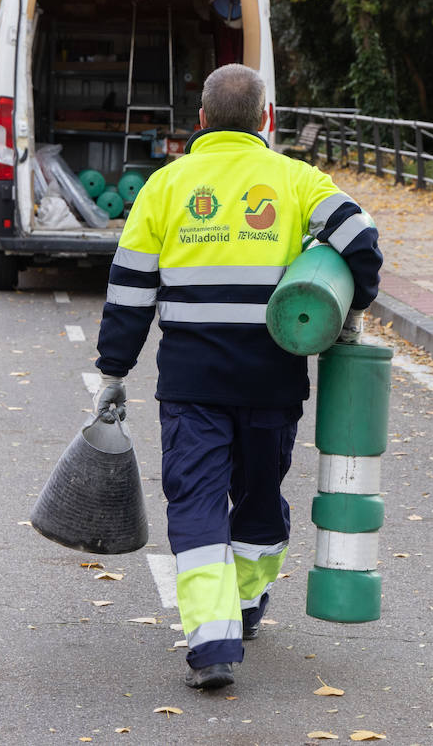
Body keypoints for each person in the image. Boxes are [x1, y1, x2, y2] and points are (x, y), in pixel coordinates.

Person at [92, 64, 383, 691]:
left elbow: (129, 290)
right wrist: (353, 309)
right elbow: (362, 240)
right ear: (266, 121)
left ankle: (213, 642)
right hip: (271, 379)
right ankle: (246, 605)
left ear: (199, 122)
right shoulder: (298, 179)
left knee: (195, 503)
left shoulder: (165, 186)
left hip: (193, 383)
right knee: (258, 494)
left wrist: (114, 371)